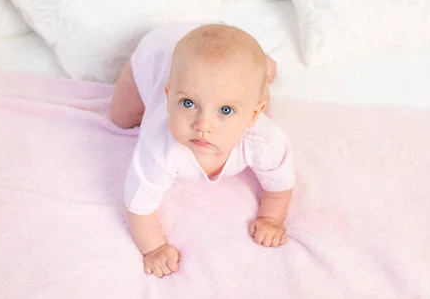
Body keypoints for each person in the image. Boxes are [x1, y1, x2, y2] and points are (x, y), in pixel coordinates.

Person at [111, 22, 295, 278]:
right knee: (121, 118)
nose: (202, 126)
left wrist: (272, 219)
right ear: (168, 97)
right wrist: (154, 249)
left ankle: (259, 68)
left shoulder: (263, 140)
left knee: (247, 86)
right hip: (158, 50)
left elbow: (280, 182)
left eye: (226, 110)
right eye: (187, 103)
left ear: (254, 114)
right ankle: (243, 75)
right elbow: (139, 205)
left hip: (205, 62)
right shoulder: (159, 148)